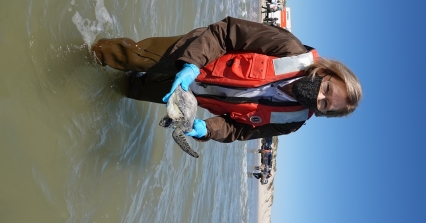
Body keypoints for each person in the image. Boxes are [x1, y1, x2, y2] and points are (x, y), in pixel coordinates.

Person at [92, 17, 362, 143]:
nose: (318, 97)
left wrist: (206, 130)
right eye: (326, 88)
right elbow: (226, 33)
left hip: (190, 95)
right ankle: (83, 51)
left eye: (325, 104)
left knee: (131, 89)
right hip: (193, 56)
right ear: (327, 71)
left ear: (322, 113)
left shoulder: (290, 123)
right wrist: (191, 65)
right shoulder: (289, 48)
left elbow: (239, 130)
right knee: (127, 56)